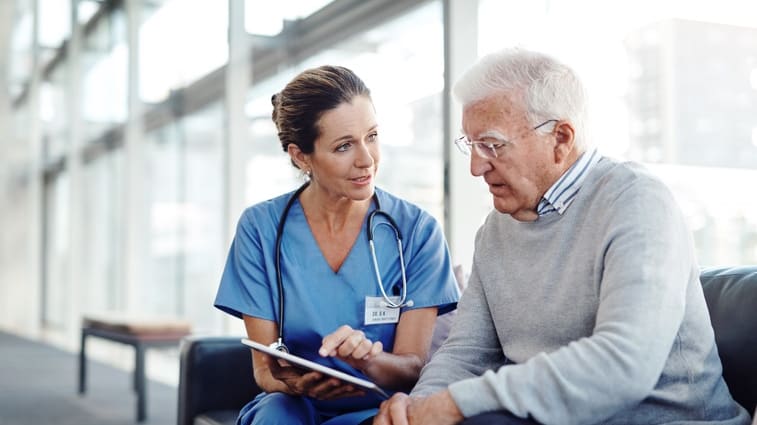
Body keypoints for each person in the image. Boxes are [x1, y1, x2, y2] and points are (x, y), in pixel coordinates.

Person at [374, 48, 751, 425]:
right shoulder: (494, 231)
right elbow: (466, 352)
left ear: (561, 138)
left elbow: (624, 363)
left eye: (492, 144)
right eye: (471, 145)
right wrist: (417, 407)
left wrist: (458, 404)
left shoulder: (636, 201)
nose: (476, 166)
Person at [214, 65, 460, 425]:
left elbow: (412, 369)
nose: (366, 160)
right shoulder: (261, 229)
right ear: (301, 156)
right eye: (344, 146)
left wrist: (366, 361)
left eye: (371, 136)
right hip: (293, 406)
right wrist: (296, 384)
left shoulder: (417, 231)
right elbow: (264, 370)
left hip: (376, 408)